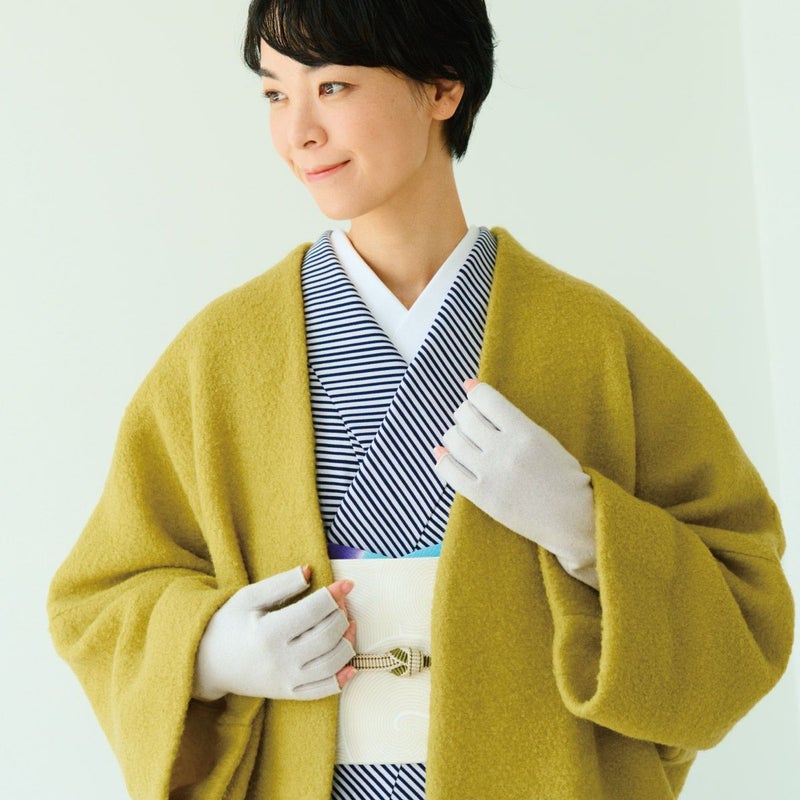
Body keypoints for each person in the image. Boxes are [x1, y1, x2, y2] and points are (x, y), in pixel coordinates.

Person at [48, 1, 794, 799]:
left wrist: (584, 526)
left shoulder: (591, 340)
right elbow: (96, 601)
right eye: (274, 94)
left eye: (332, 87)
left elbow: (746, 603)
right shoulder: (220, 355)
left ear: (443, 87)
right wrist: (207, 652)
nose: (297, 131)